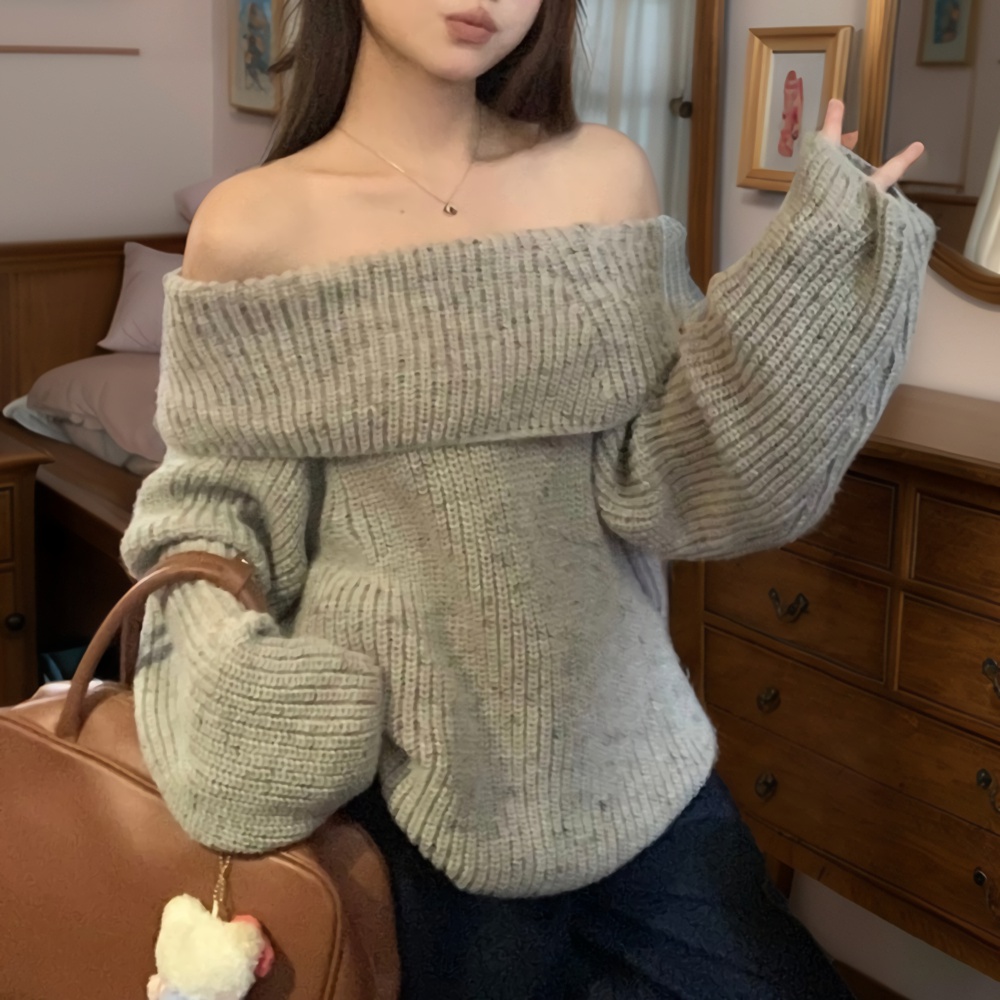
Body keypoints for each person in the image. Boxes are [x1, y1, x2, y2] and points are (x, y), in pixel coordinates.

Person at [121, 1, 936, 997]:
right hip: (404, 790)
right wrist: (251, 692)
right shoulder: (253, 223)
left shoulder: (606, 176)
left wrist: (809, 297)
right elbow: (216, 516)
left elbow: (664, 483)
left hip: (634, 760)